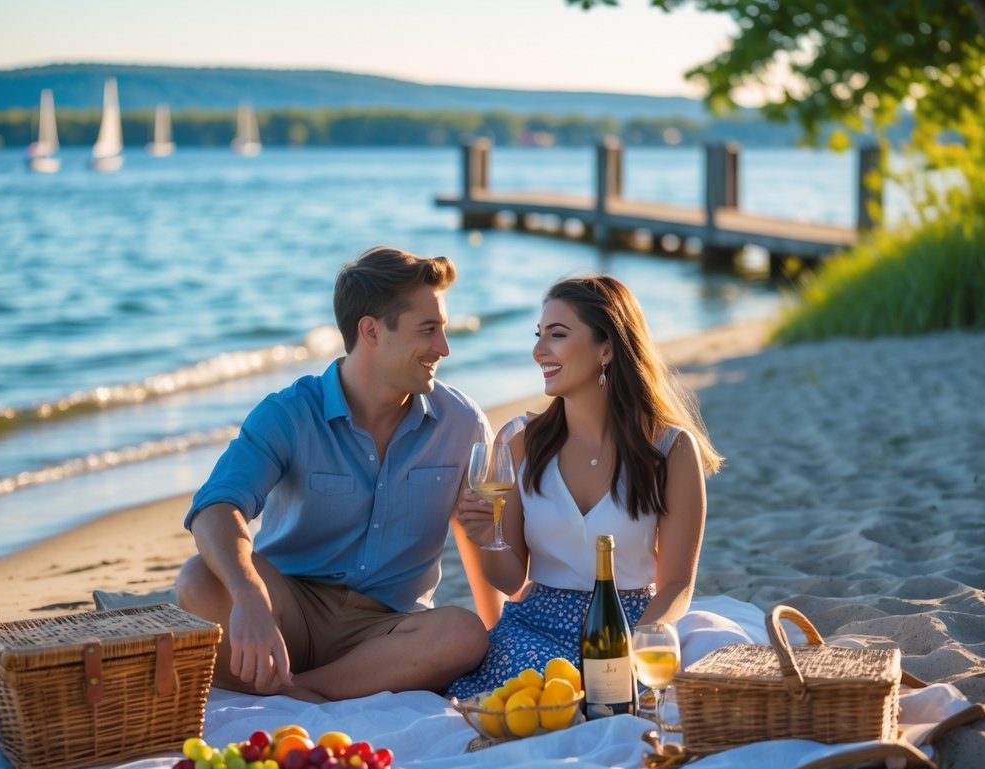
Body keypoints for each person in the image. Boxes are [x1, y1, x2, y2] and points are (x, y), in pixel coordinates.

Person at [177, 246, 501, 701]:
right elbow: (216, 507)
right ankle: (319, 684)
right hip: (287, 609)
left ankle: (296, 690)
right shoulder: (288, 413)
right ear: (370, 331)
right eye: (428, 331)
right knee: (198, 579)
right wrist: (250, 597)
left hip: (387, 632)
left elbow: (475, 534)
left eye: (442, 330)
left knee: (464, 634)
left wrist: (496, 636)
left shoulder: (462, 421)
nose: (443, 348)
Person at [447, 274, 725, 700]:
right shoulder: (522, 441)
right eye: (539, 335)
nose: (539, 351)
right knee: (545, 684)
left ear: (607, 347)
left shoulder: (670, 448)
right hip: (535, 627)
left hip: (631, 620)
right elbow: (508, 580)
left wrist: (639, 645)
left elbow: (676, 584)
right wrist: (490, 539)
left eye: (557, 335)